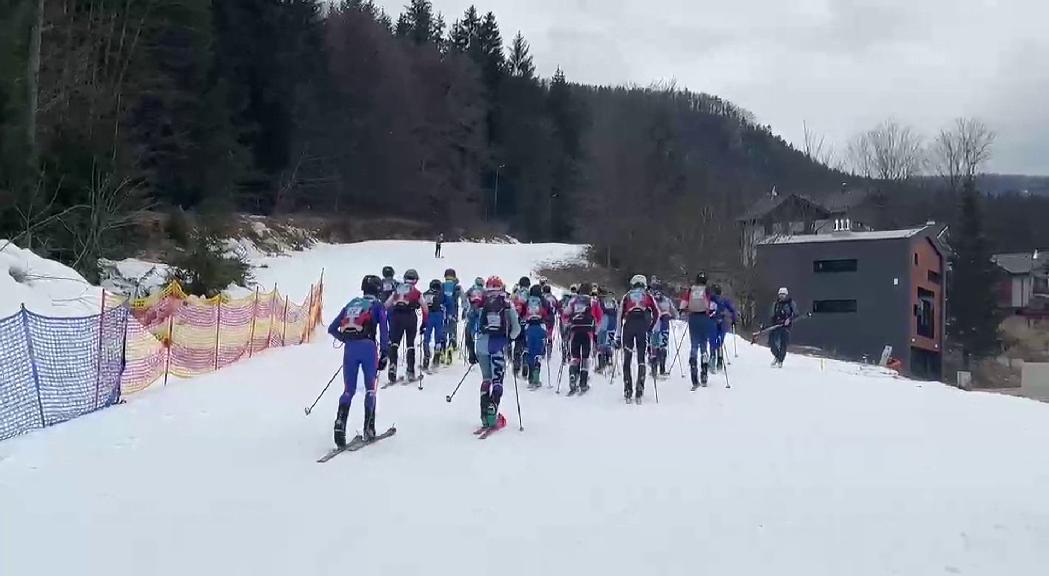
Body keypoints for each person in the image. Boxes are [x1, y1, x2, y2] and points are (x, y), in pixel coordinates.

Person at [327, 275, 390, 446]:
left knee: (348, 390)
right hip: (369, 348)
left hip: (350, 349)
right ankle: (369, 428)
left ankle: (340, 423)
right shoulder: (377, 306)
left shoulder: (351, 304)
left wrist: (345, 339)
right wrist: (385, 352)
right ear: (378, 290)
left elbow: (332, 328)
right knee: (371, 388)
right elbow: (384, 329)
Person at [475, 276, 521, 430]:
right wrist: (510, 339)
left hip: (481, 344)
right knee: (497, 380)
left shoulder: (481, 301)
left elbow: (474, 322)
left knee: (486, 378)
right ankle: (492, 412)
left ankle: (483, 415)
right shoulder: (507, 302)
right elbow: (516, 328)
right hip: (499, 344)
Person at [614, 275, 659, 402]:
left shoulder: (627, 296)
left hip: (629, 325)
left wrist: (617, 336)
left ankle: (628, 390)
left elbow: (619, 316)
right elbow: (657, 313)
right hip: (642, 326)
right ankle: (640, 389)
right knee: (641, 358)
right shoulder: (647, 295)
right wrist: (651, 328)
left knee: (627, 358)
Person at [384, 269, 429, 383]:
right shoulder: (416, 292)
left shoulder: (397, 290)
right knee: (410, 344)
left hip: (396, 317)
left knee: (394, 343)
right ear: (415, 280)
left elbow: (387, 305)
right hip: (410, 317)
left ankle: (392, 367)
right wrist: (424, 323)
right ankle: (410, 370)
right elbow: (424, 308)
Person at [562, 282, 603, 395]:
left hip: (575, 330)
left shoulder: (573, 300)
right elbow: (599, 317)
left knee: (575, 356)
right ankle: (583, 383)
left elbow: (565, 314)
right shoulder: (593, 301)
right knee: (585, 357)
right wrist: (596, 331)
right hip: (587, 331)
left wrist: (567, 325)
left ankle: (572, 374)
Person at [679, 273, 716, 390]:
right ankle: (704, 372)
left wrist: (683, 310)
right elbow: (713, 305)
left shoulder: (691, 290)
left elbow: (683, 304)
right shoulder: (707, 290)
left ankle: (693, 360)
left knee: (694, 344)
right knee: (704, 344)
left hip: (693, 318)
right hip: (704, 318)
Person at [521, 285, 554, 389]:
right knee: (538, 352)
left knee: (530, 351)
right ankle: (536, 376)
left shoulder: (527, 301)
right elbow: (550, 316)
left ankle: (530, 377)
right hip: (541, 327)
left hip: (528, 327)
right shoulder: (544, 301)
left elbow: (521, 314)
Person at [648, 281, 679, 377]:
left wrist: (671, 315)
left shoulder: (656, 300)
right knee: (658, 347)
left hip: (658, 327)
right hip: (656, 327)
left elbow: (675, 313)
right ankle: (658, 368)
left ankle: (658, 368)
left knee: (658, 347)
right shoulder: (653, 300)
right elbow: (675, 313)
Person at [709, 284, 738, 373]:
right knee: (720, 342)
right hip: (722, 323)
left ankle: (713, 359)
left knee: (713, 342)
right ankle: (719, 361)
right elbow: (732, 310)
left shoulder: (709, 300)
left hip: (712, 323)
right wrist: (734, 319)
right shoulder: (724, 300)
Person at [421, 279, 448, 371]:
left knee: (427, 336)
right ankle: (437, 354)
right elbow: (448, 303)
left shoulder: (425, 294)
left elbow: (421, 303)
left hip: (428, 316)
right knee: (438, 336)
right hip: (438, 316)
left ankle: (426, 356)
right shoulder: (441, 294)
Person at [768, 287, 798, 368]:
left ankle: (780, 360)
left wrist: (789, 319)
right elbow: (772, 315)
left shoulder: (790, 303)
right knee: (771, 342)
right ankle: (777, 356)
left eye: (783, 294)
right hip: (776, 325)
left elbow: (795, 314)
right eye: (780, 294)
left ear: (786, 295)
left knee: (783, 343)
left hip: (786, 326)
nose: (782, 296)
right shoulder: (776, 304)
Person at [511, 276, 531, 378]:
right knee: (526, 344)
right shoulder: (530, 294)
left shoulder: (516, 294)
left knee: (518, 343)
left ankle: (516, 365)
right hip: (528, 322)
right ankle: (526, 364)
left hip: (518, 321)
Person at [442, 269, 464, 360]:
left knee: (443, 328)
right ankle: (452, 345)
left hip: (443, 311)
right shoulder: (457, 287)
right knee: (452, 327)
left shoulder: (442, 286)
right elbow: (463, 298)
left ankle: (442, 347)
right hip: (453, 311)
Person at [463, 277, 485, 366]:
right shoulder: (484, 290)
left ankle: (471, 355)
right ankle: (480, 354)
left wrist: (465, 308)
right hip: (481, 311)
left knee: (469, 333)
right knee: (480, 333)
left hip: (471, 311)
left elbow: (464, 297)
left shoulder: (471, 289)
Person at [595, 287, 618, 373]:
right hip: (612, 325)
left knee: (601, 344)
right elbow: (616, 312)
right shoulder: (613, 301)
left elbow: (599, 312)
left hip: (603, 324)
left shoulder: (600, 302)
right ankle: (609, 362)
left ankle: (602, 364)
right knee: (608, 343)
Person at [541, 284, 560, 362]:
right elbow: (558, 307)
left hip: (543, 318)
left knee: (543, 334)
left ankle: (543, 351)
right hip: (551, 319)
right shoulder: (553, 298)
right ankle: (549, 352)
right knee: (550, 335)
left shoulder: (542, 298)